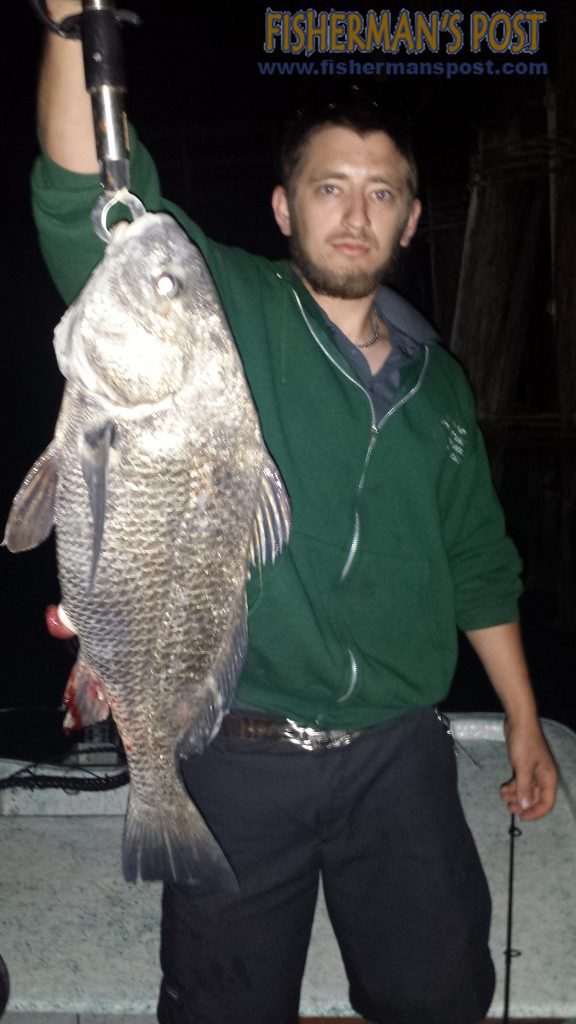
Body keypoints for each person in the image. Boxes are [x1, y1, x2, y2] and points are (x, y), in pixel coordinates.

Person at [34, 5, 558, 1024]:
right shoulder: (216, 307)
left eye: (382, 194)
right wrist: (68, 27)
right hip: (233, 745)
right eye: (329, 187)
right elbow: (86, 205)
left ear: (411, 219)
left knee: (441, 996)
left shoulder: (439, 385)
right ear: (284, 207)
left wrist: (528, 722)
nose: (355, 214)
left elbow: (479, 562)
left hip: (399, 756)